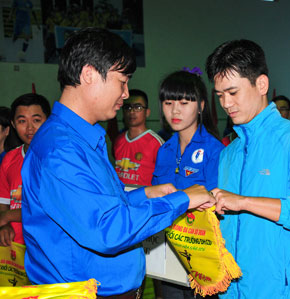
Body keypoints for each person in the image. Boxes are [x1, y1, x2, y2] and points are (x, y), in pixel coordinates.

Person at [20, 27, 215, 298]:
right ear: (88, 74)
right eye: (122, 81)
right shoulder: (60, 150)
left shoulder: (83, 140)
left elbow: (100, 204)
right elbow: (106, 228)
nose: (125, 94)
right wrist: (180, 200)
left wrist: (146, 194)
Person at [206, 39, 290, 298]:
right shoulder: (229, 152)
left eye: (233, 92)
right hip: (232, 289)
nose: (226, 104)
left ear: (261, 84)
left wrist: (245, 202)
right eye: (219, 95)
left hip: (282, 290)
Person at [152, 69, 224, 299]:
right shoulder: (164, 150)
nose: (175, 110)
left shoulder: (214, 150)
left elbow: (217, 205)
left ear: (201, 105)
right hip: (168, 249)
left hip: (201, 251)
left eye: (184, 103)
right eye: (168, 102)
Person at [0, 94, 50, 247]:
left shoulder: (55, 160)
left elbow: (48, 209)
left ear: (48, 121)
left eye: (36, 120)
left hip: (46, 246)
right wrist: (4, 226)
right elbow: (3, 201)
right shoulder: (9, 159)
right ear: (13, 125)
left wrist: (7, 216)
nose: (29, 128)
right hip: (14, 247)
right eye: (22, 121)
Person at [114, 89, 164, 186]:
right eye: (128, 107)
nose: (132, 111)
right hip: (120, 197)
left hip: (144, 200)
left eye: (138, 107)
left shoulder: (157, 143)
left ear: (147, 112)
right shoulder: (118, 140)